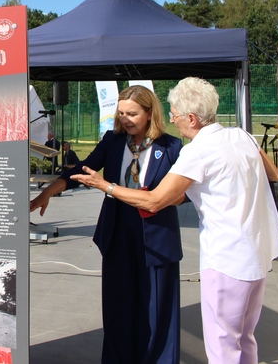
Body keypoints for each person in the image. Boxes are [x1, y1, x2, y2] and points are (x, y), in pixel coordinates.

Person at [72, 77, 278, 364]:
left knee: (223, 343)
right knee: (244, 337)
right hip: (258, 253)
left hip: (226, 258)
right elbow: (275, 177)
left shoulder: (197, 151)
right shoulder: (241, 136)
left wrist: (104, 185)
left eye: (175, 113)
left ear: (193, 118)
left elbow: (154, 201)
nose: (172, 119)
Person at [31, 85, 183, 364]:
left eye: (132, 114)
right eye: (121, 112)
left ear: (150, 113)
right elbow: (82, 169)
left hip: (157, 234)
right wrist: (47, 192)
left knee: (157, 307)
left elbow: (182, 195)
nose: (125, 119)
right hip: (117, 231)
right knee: (118, 306)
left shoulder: (171, 147)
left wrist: (153, 197)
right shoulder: (112, 141)